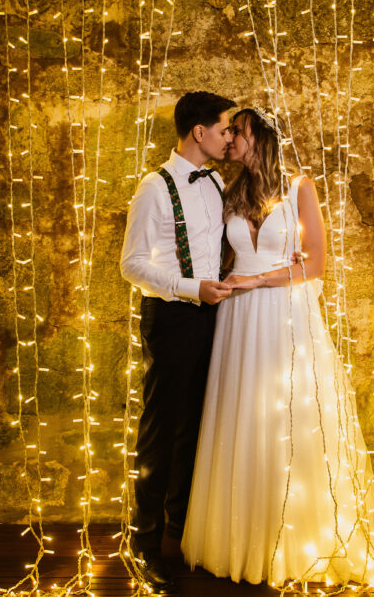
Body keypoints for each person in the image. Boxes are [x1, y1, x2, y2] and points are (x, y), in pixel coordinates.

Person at [180, 108, 374, 589]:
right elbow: (212, 251)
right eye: (228, 131)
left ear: (261, 136)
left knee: (288, 419)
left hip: (283, 314)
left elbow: (316, 264)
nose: (231, 138)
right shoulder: (229, 192)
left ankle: (298, 535)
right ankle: (242, 537)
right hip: (238, 319)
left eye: (239, 130)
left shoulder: (300, 187)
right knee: (243, 416)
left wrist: (258, 278)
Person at [119, 91, 237, 593]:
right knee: (161, 429)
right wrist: (192, 288)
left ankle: (179, 529)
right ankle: (143, 546)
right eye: (226, 128)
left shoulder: (216, 183)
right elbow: (131, 265)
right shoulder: (154, 186)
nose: (230, 137)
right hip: (169, 316)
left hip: (213, 317)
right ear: (199, 132)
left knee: (196, 425)